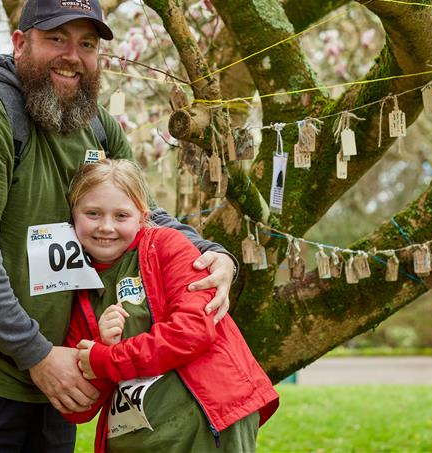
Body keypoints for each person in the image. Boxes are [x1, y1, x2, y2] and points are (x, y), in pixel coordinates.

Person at [0, 0, 237, 451]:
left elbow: (140, 216)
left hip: (54, 371)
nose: (73, 55)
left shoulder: (96, 125)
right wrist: (37, 354)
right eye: (56, 38)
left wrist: (212, 253)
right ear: (20, 42)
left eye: (86, 43)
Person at [63, 159, 279, 452]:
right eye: (92, 213)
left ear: (143, 216)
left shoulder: (166, 245)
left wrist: (108, 359)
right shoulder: (76, 284)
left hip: (206, 422)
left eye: (121, 215)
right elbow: (76, 408)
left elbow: (193, 330)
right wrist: (102, 345)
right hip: (140, 440)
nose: (106, 227)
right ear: (73, 215)